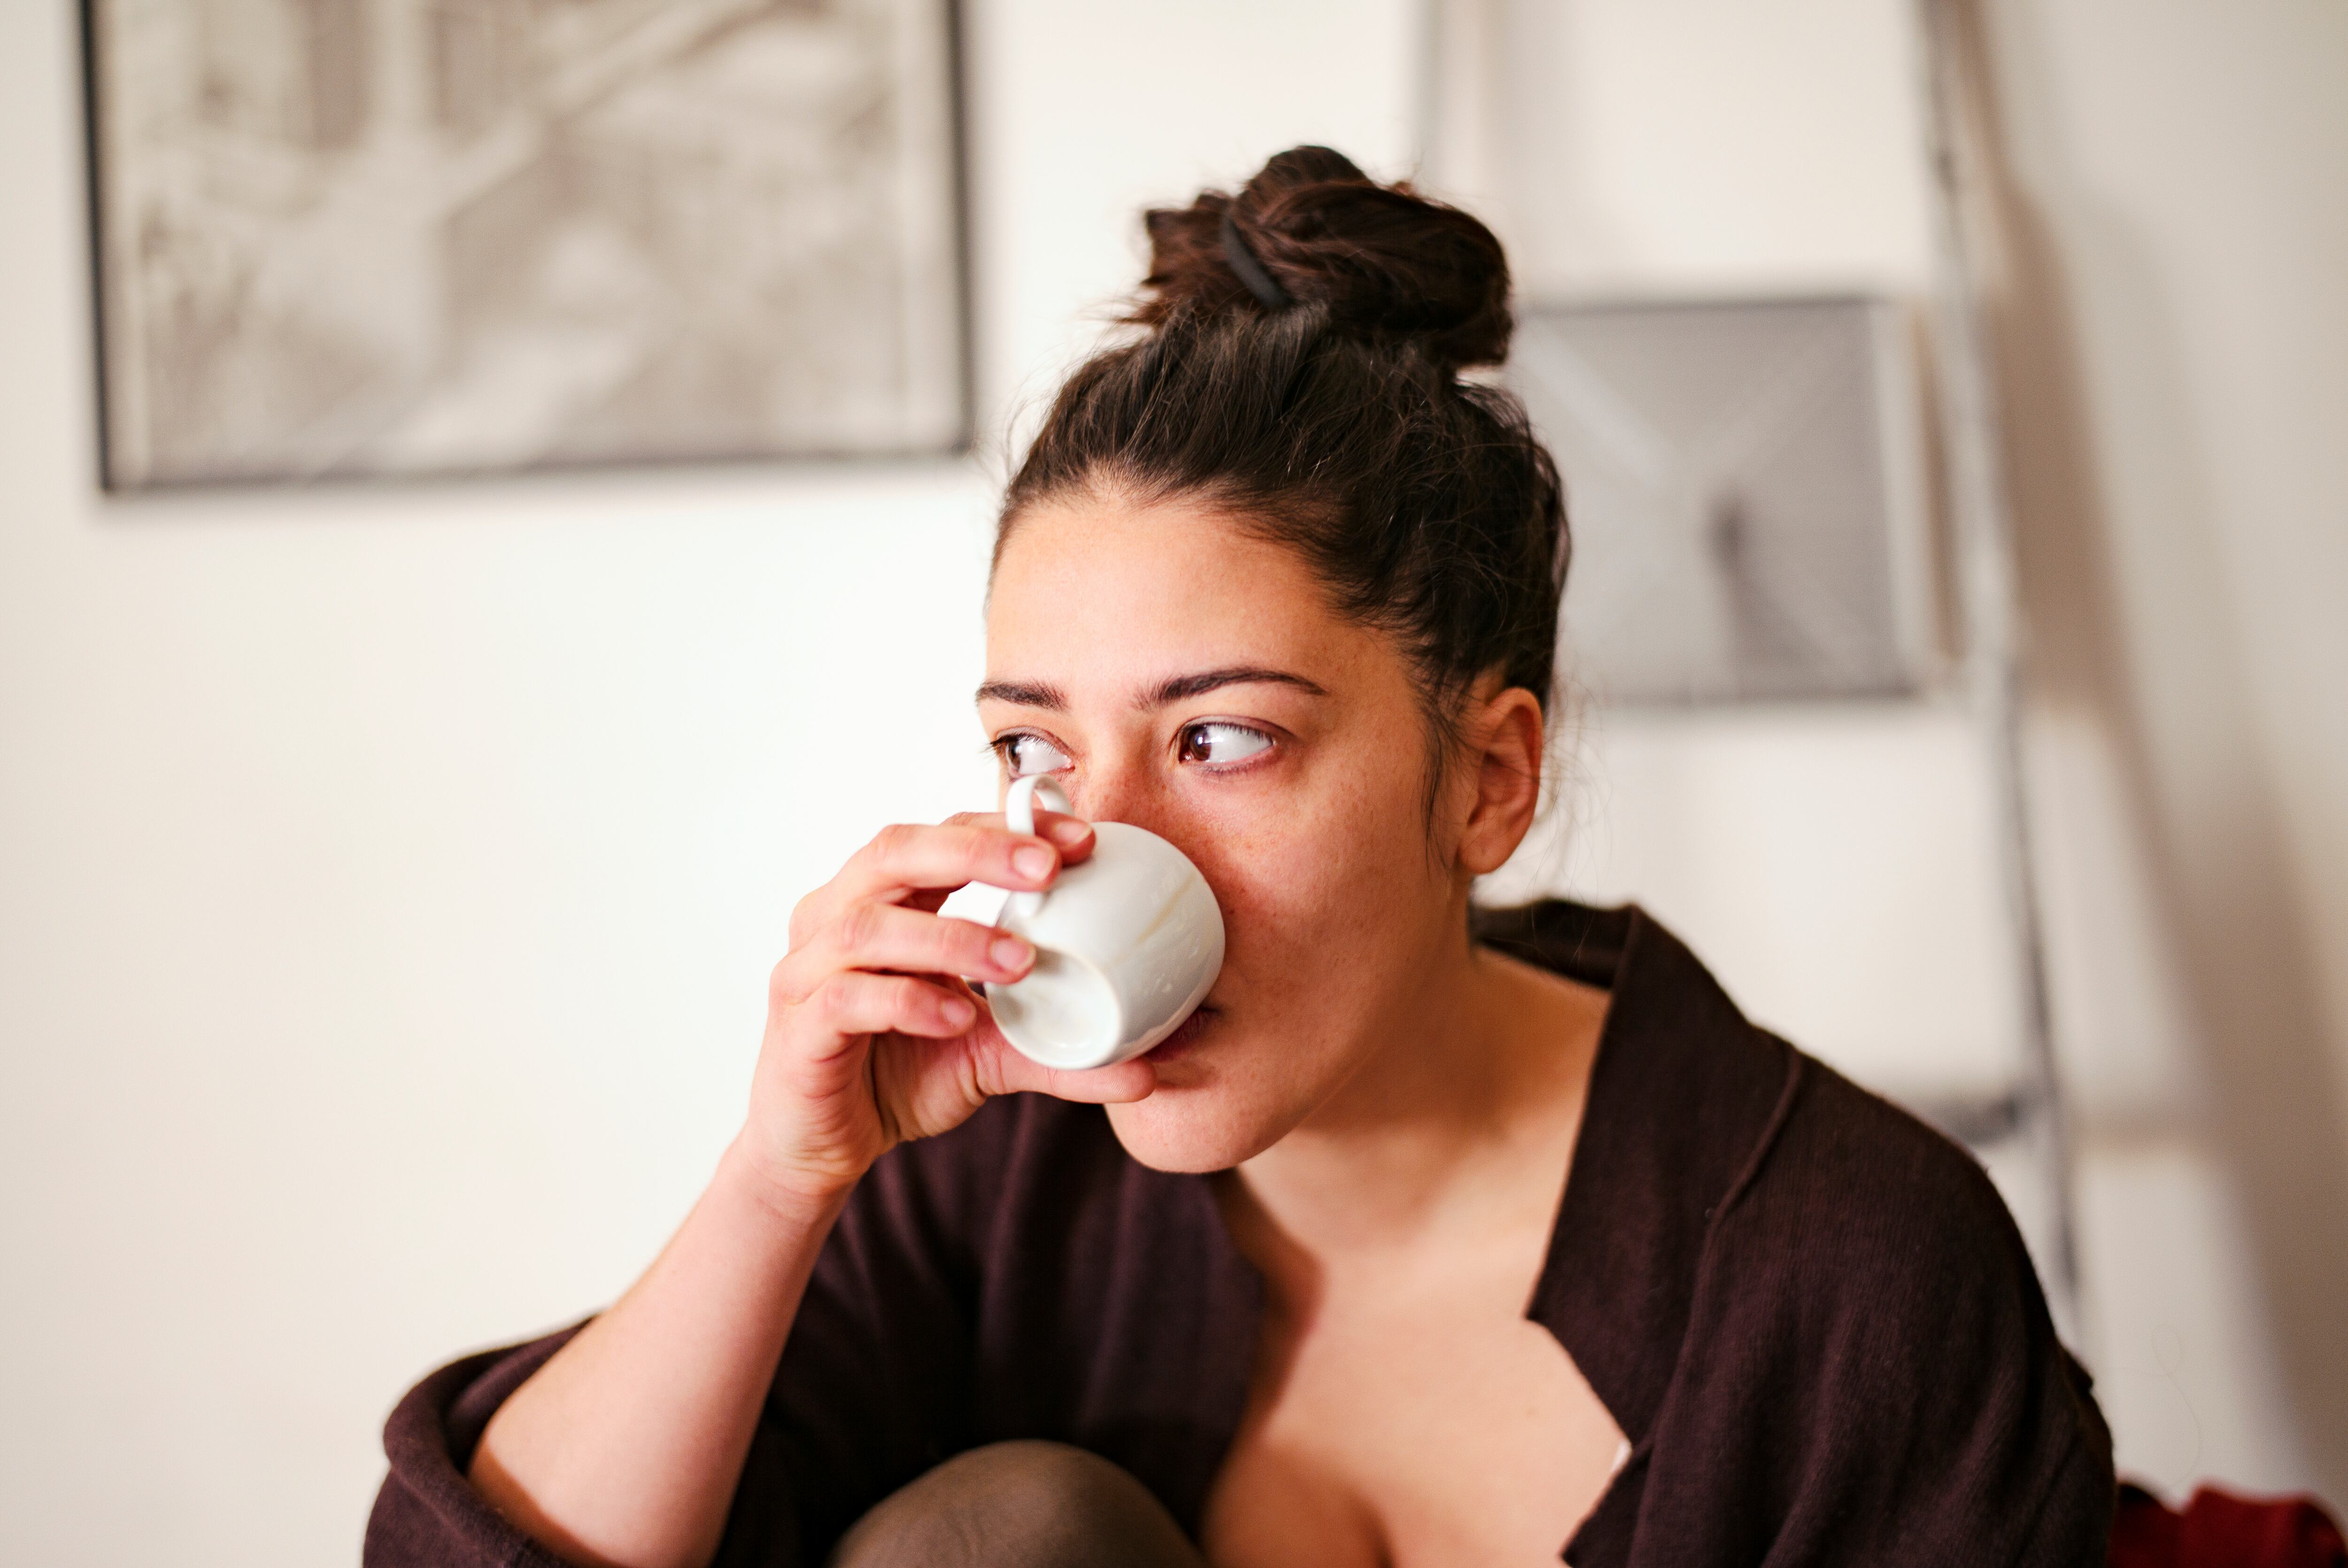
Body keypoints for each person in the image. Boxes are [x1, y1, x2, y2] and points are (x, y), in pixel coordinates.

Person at [366, 147, 2113, 1568]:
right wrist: (779, 1178)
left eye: (1222, 739)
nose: (1097, 849)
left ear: (1487, 780)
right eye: (1038, 752)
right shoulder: (1001, 1175)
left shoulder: (1847, 1278)